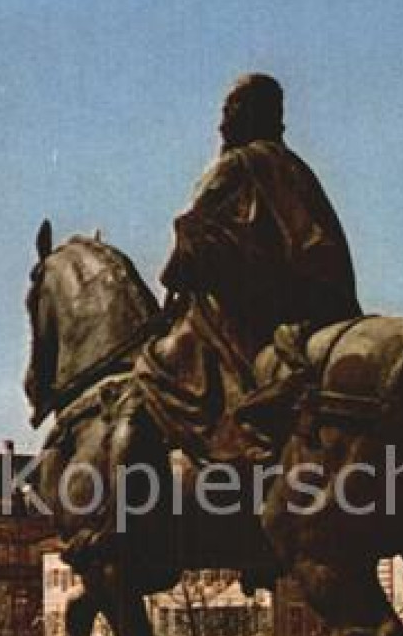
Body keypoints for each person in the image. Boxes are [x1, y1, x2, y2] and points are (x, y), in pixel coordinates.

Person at [132, 72, 361, 467]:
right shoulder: (296, 167)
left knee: (153, 368)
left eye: (229, 111)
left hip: (267, 308)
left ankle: (229, 446)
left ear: (248, 114)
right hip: (325, 302)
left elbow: (192, 235)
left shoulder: (235, 165)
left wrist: (173, 273)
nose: (221, 124)